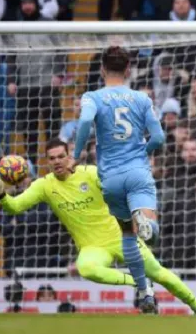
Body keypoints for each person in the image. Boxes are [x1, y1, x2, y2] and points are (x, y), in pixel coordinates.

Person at [0, 138, 196, 315]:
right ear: (47, 161)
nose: (57, 161)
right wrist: (0, 194)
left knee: (161, 273)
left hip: (120, 236)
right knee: (86, 268)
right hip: (91, 246)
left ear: (69, 157)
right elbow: (14, 208)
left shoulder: (89, 173)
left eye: (61, 156)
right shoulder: (43, 186)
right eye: (52, 158)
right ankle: (139, 284)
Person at [73, 46, 165, 313]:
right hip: (137, 171)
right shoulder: (142, 98)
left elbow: (84, 122)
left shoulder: (92, 97)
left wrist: (76, 155)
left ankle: (145, 292)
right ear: (128, 70)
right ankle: (146, 223)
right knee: (151, 234)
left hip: (110, 177)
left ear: (102, 69)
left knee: (127, 234)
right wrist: (142, 151)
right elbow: (158, 138)